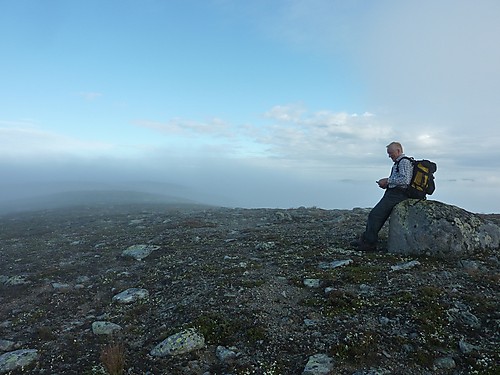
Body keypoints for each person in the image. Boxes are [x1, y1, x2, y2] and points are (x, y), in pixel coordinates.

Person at [354, 141, 413, 251]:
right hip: (394, 193)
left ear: (398, 151)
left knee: (375, 215)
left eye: (390, 153)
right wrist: (387, 184)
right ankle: (366, 239)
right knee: (376, 215)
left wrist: (388, 180)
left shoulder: (404, 162)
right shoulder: (399, 162)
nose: (389, 155)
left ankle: (369, 243)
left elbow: (405, 180)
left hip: (397, 195)